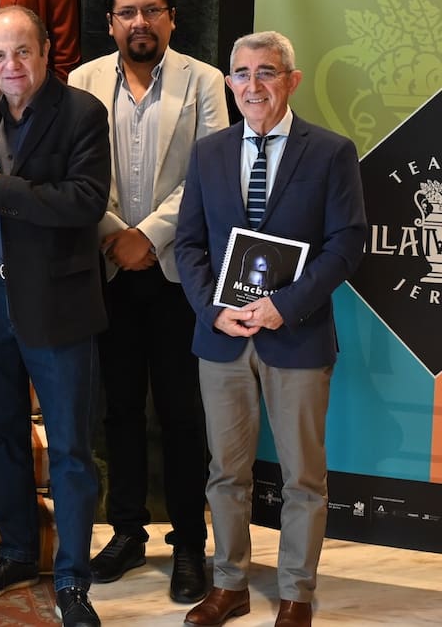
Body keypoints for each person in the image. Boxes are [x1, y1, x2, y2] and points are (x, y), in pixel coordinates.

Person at [175, 31, 366, 627]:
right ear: (229, 82)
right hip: (223, 338)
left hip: (297, 335)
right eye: (241, 73)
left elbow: (346, 243)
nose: (252, 85)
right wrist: (212, 309)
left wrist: (288, 305)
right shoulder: (208, 153)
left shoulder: (331, 152)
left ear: (292, 80)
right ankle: (229, 585)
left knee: (302, 477)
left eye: (267, 72)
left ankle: (296, 594)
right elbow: (188, 244)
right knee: (225, 473)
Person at [68, 0, 228, 603]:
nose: (140, 22)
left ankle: (189, 541)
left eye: (151, 11)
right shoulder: (82, 81)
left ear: (171, 18)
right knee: (120, 410)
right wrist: (116, 234)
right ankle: (128, 531)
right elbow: (74, 170)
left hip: (177, 272)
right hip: (107, 269)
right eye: (128, 12)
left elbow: (212, 172)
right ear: (110, 23)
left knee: (183, 412)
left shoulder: (204, 81)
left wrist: (150, 236)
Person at [0, 5, 109, 627]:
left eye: (22, 51)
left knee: (69, 448)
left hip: (58, 301)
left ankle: (72, 580)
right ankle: (17, 553)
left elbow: (86, 201)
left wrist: (1, 190)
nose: (11, 64)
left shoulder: (81, 113)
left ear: (46, 52)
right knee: (3, 435)